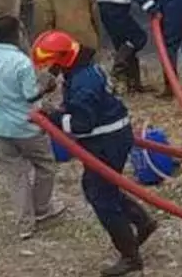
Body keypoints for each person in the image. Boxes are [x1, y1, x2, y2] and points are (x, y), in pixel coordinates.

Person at [33, 30, 158, 276]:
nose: (50, 67)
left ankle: (130, 257)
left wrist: (53, 117)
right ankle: (143, 222)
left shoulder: (83, 83)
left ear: (64, 58)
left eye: (52, 62)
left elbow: (81, 125)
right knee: (101, 188)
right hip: (112, 135)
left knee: (101, 196)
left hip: (105, 141)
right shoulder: (83, 68)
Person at [0, 15, 67, 239]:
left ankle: (24, 223)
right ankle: (42, 209)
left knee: (15, 174)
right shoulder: (21, 62)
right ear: (16, 34)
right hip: (27, 125)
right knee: (45, 165)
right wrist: (47, 86)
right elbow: (31, 96)